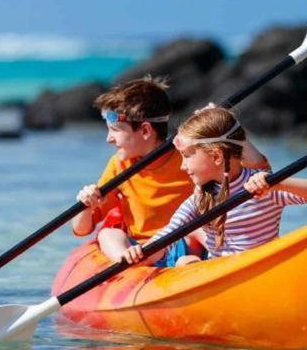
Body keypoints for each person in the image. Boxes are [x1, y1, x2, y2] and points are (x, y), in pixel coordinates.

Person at [72, 78, 268, 266]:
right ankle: (127, 266)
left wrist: (228, 128)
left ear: (146, 131)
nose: (109, 139)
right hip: (142, 250)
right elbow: (82, 229)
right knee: (107, 234)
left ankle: (191, 267)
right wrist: (86, 205)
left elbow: (259, 173)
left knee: (198, 229)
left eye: (115, 130)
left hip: (186, 245)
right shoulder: (119, 165)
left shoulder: (188, 158)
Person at [121, 106, 307, 267]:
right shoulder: (200, 197)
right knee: (185, 263)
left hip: (262, 268)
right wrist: (140, 251)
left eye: (186, 157)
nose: (183, 166)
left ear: (216, 156)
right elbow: (170, 233)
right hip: (220, 271)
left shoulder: (264, 186)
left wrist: (277, 182)